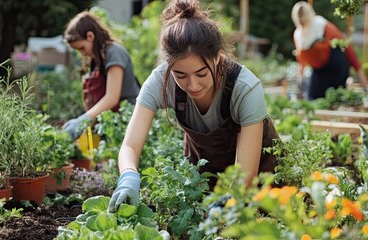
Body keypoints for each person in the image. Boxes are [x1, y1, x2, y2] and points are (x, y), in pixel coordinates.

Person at [107, 0, 280, 212]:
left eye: (201, 73)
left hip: (263, 182)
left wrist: (228, 205)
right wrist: (128, 176)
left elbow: (245, 177)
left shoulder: (245, 88)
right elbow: (130, 146)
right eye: (180, 75)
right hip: (205, 179)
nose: (193, 85)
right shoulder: (161, 80)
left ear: (217, 58)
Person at [62, 11, 140, 139]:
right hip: (110, 120)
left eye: (82, 48)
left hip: (127, 119)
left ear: (90, 36)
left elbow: (112, 97)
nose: (82, 53)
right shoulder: (97, 58)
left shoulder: (114, 53)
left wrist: (83, 119)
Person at [291, 1, 368, 100]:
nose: (302, 19)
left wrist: (363, 80)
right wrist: (300, 75)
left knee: (336, 98)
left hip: (336, 68)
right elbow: (302, 59)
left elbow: (347, 47)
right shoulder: (298, 35)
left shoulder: (322, 25)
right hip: (319, 71)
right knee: (311, 98)